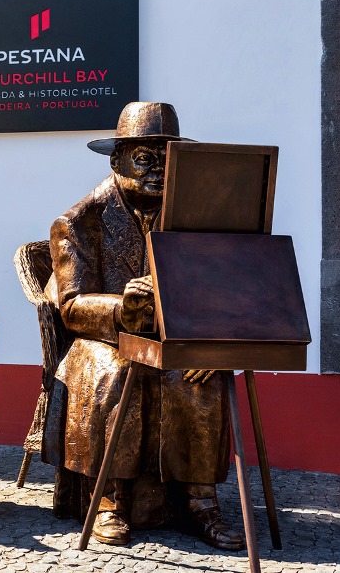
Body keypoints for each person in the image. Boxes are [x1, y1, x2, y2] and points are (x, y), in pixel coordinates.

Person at [42, 101, 243, 550]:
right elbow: (71, 305)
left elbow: (216, 283)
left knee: (199, 374)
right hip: (103, 337)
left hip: (172, 335)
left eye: (167, 159)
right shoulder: (78, 222)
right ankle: (108, 499)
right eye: (145, 158)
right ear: (117, 161)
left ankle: (200, 502)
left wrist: (207, 338)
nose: (158, 170)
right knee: (115, 373)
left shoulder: (194, 216)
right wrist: (122, 309)